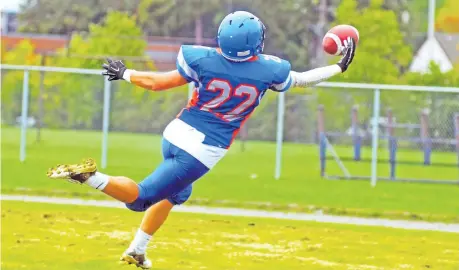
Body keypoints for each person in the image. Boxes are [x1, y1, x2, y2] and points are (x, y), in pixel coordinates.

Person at [47, 11, 356, 269]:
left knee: (177, 194)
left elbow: (157, 83)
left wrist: (126, 73)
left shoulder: (202, 59)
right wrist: (339, 66)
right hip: (201, 150)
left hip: (176, 132)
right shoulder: (268, 70)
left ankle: (138, 250)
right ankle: (89, 177)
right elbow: (302, 79)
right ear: (255, 43)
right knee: (142, 199)